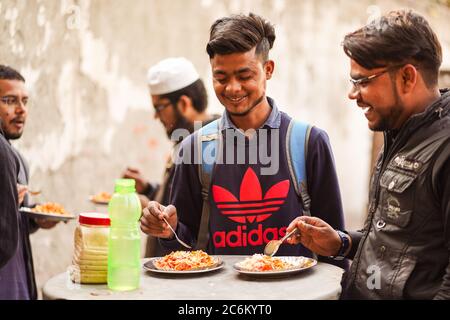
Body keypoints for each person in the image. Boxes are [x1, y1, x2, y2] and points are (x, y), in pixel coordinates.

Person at [140, 13, 346, 268]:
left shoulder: (309, 142)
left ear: (268, 70)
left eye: (244, 75)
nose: (233, 88)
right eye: (221, 77)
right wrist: (168, 231)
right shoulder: (192, 148)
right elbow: (186, 246)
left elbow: (335, 247)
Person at [286, 10, 450, 299]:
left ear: (407, 77)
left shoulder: (444, 148)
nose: (353, 93)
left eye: (363, 81)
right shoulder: (399, 133)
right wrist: (342, 243)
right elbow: (395, 243)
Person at [122, 57, 218, 256]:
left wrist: (146, 208)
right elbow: (182, 199)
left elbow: (195, 221)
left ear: (184, 103)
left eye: (159, 108)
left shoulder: (209, 145)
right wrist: (149, 189)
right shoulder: (184, 140)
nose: (156, 117)